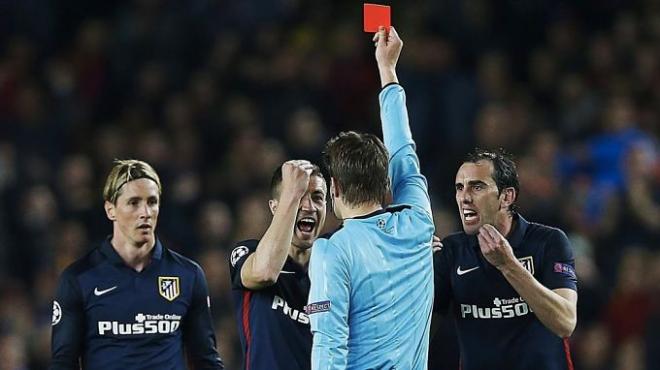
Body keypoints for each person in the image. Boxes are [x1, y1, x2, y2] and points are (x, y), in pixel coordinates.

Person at [306, 27, 435, 370]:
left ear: (334, 188)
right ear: (385, 182)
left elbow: (328, 343)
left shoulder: (332, 251)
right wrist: (388, 70)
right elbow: (405, 155)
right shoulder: (417, 222)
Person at [50, 159, 224, 370]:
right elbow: (63, 364)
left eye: (152, 202)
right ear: (110, 210)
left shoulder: (187, 275)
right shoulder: (79, 278)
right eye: (134, 202)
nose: (145, 212)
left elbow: (206, 360)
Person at [433, 148, 578, 370]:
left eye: (477, 187)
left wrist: (508, 265)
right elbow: (421, 327)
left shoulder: (548, 242)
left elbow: (565, 322)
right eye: (459, 188)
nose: (465, 197)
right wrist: (414, 272)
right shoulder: (452, 251)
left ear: (507, 196)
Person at [229, 160, 327, 370]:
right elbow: (265, 273)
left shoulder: (334, 267)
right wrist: (292, 193)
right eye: (299, 196)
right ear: (275, 207)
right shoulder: (248, 253)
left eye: (317, 198)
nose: (309, 206)